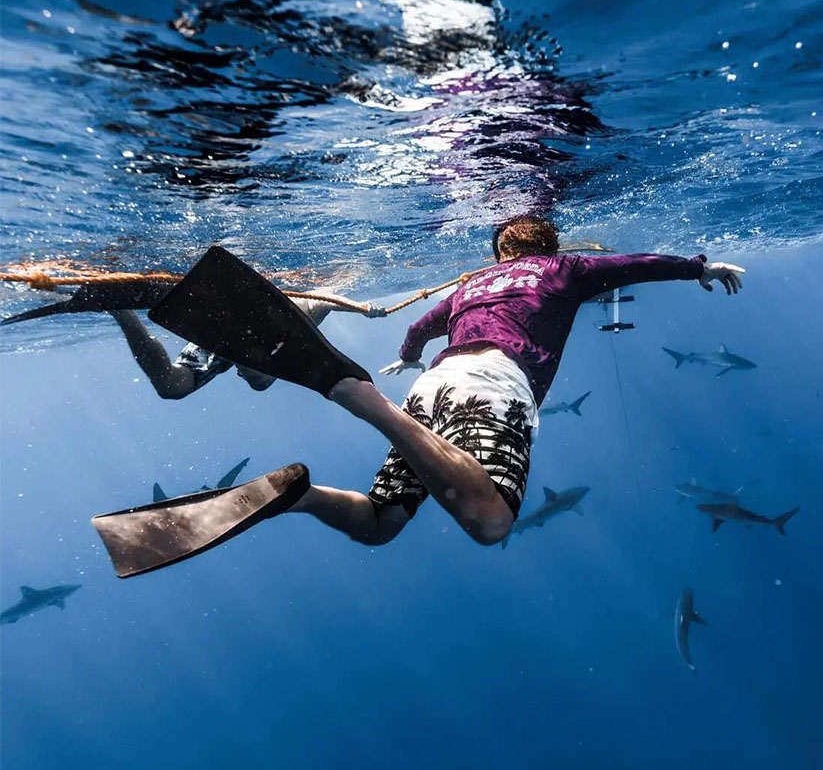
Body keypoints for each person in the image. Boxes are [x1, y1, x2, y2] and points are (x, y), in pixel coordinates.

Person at [91, 216, 744, 577]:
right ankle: (356, 396)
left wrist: (407, 358)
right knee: (490, 523)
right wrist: (700, 266)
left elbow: (419, 329)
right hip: (491, 388)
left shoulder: (471, 285)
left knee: (381, 525)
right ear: (550, 245)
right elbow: (632, 266)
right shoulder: (565, 267)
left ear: (499, 249)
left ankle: (297, 496)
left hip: (434, 388)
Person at [109, 294, 335, 398]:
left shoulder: (219, 358)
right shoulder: (294, 329)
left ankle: (118, 307)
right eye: (252, 374)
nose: (240, 375)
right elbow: (323, 300)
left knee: (171, 388)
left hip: (220, 340)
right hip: (242, 315)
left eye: (245, 375)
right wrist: (361, 307)